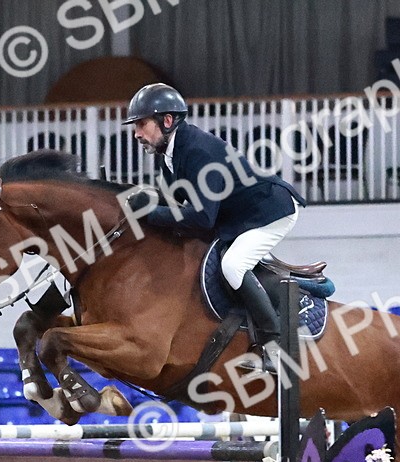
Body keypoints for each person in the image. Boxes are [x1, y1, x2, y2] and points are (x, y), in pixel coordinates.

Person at [124, 83, 306, 374]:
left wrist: (149, 212)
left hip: (270, 210)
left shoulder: (198, 152)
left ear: (167, 120)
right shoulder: (170, 155)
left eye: (142, 124)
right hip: (237, 215)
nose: (136, 133)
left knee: (233, 266)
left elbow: (201, 219)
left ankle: (277, 347)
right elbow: (178, 203)